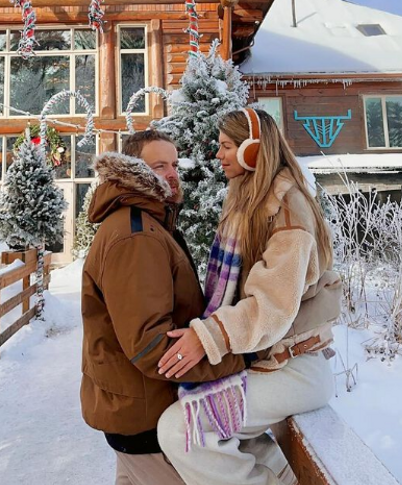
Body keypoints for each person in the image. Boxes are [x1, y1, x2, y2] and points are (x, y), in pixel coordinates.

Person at [155, 107, 341, 485]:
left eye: (226, 146)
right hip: (270, 360)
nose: (219, 155)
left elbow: (272, 308)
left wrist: (210, 336)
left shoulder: (288, 208)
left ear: (253, 150)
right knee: (219, 432)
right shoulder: (247, 201)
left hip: (296, 367)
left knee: (180, 430)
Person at [81, 130, 247, 485]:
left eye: (174, 164)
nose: (171, 173)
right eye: (159, 165)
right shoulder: (136, 236)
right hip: (147, 421)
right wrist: (241, 357)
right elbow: (152, 347)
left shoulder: (150, 224)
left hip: (138, 412)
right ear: (133, 171)